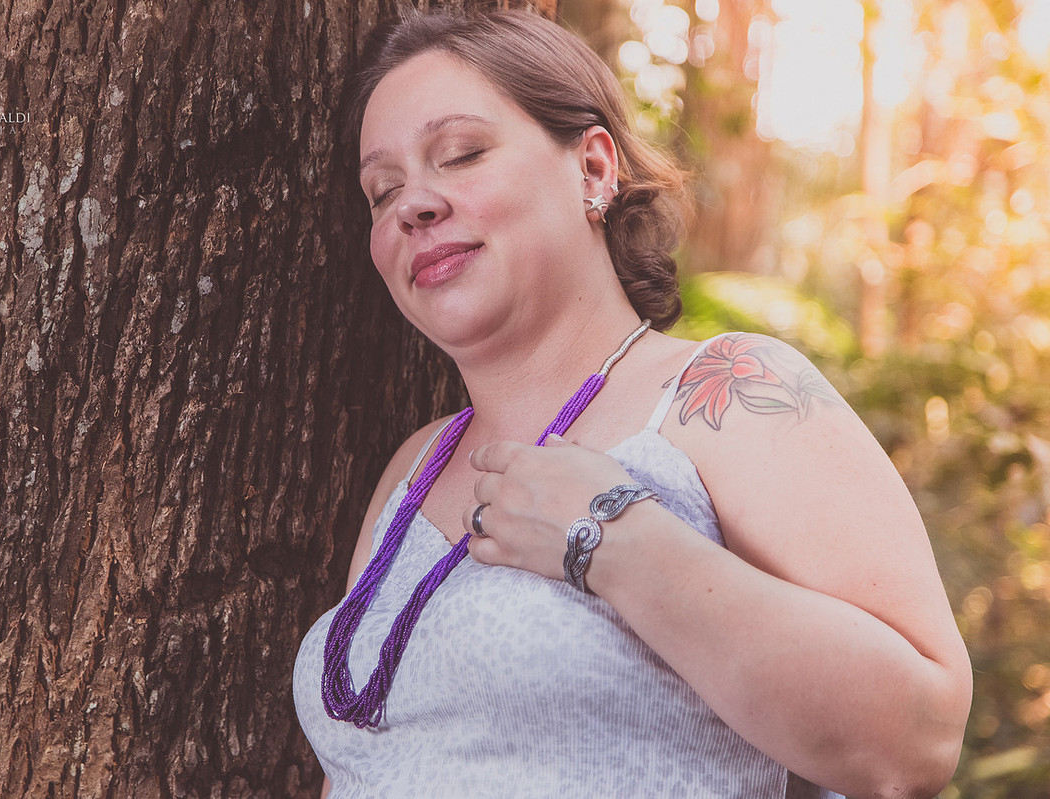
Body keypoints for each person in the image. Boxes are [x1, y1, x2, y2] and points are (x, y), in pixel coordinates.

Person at [293, 8, 972, 798]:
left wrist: (614, 540)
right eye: (382, 192)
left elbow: (918, 738)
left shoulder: (726, 392)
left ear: (593, 169)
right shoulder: (413, 466)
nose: (413, 203)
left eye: (462, 154)